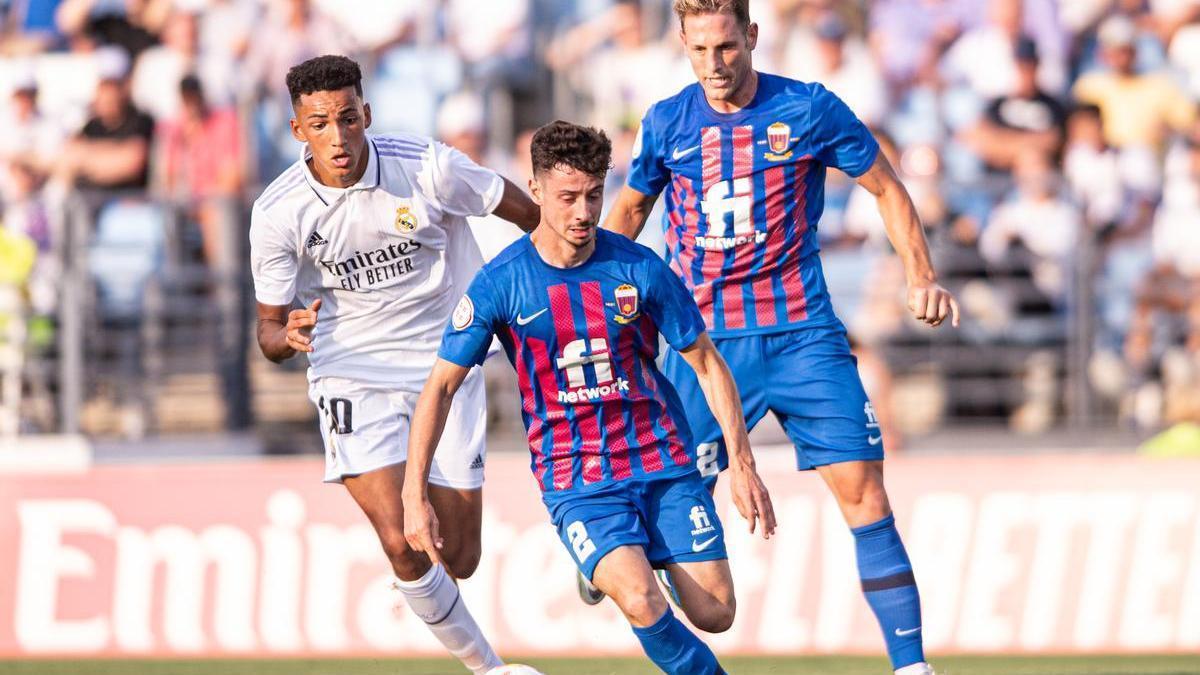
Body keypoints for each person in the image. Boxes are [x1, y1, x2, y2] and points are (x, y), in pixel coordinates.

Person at [602, 2, 959, 674]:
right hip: (702, 347)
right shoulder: (667, 122)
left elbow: (884, 185)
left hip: (802, 334)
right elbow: (627, 211)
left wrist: (920, 275)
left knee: (863, 488)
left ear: (753, 37)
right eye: (700, 49)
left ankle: (912, 666)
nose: (715, 64)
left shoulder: (809, 108)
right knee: (689, 550)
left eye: (728, 47)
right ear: (682, 43)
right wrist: (597, 306)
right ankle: (614, 545)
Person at [402, 121, 776, 675]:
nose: (583, 212)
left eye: (595, 195)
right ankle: (617, 567)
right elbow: (440, 388)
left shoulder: (638, 267)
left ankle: (633, 555)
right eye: (568, 197)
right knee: (642, 599)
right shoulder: (500, 283)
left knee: (716, 612)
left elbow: (706, 362)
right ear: (535, 189)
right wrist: (415, 493)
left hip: (662, 462)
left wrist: (742, 463)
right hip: (577, 476)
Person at [248, 55, 539, 674]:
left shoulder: (427, 166)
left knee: (457, 556)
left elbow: (516, 207)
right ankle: (491, 669)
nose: (338, 137)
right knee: (401, 542)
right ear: (298, 130)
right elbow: (267, 330)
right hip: (351, 370)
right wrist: (288, 334)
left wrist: (564, 262)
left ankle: (442, 601)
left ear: (367, 116)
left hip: (448, 364)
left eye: (348, 120)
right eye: (320, 124)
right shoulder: (278, 212)